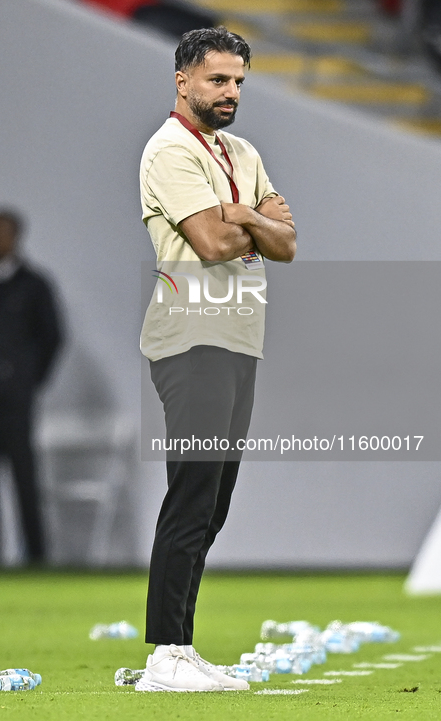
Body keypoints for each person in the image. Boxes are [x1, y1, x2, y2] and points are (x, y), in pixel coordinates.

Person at [137, 27, 296, 692]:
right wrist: (249, 217)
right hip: (191, 337)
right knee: (192, 493)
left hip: (237, 337)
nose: (229, 92)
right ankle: (163, 655)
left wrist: (246, 217)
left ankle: (181, 644)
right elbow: (207, 241)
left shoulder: (241, 151)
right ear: (183, 81)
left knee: (214, 502)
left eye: (236, 81)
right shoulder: (168, 149)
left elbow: (285, 243)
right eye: (216, 80)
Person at [0, 208, 63, 565]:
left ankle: (36, 558)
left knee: (24, 483)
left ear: (16, 237)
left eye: (0, 233)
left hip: (14, 402)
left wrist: (28, 380)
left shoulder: (34, 285)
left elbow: (53, 338)